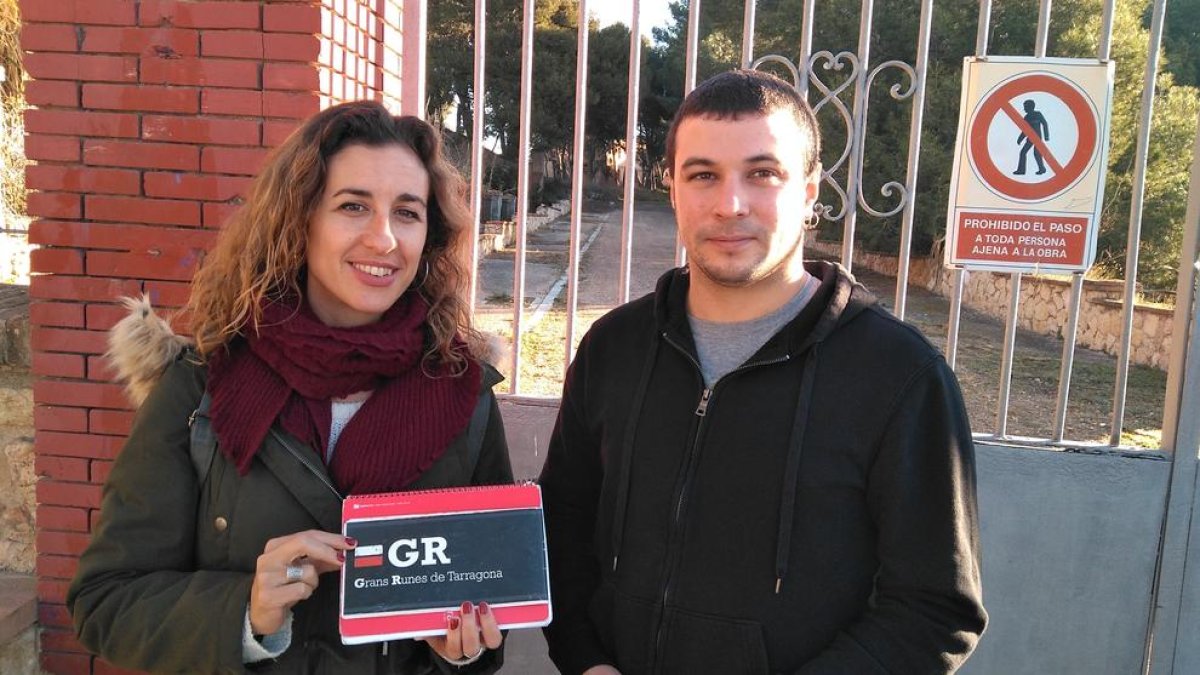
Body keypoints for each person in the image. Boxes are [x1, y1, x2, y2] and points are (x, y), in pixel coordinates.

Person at [539, 69, 987, 674]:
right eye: (703, 175)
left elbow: (935, 607)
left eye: (762, 173)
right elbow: (562, 524)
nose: (730, 203)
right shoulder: (612, 348)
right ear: (671, 188)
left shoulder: (900, 376)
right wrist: (587, 661)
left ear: (807, 191)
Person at [68, 101, 512, 674]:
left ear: (429, 234)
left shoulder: (463, 395)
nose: (383, 239)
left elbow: (493, 623)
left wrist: (466, 650)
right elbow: (104, 601)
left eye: (407, 213)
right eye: (353, 206)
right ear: (299, 219)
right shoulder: (203, 384)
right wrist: (247, 614)